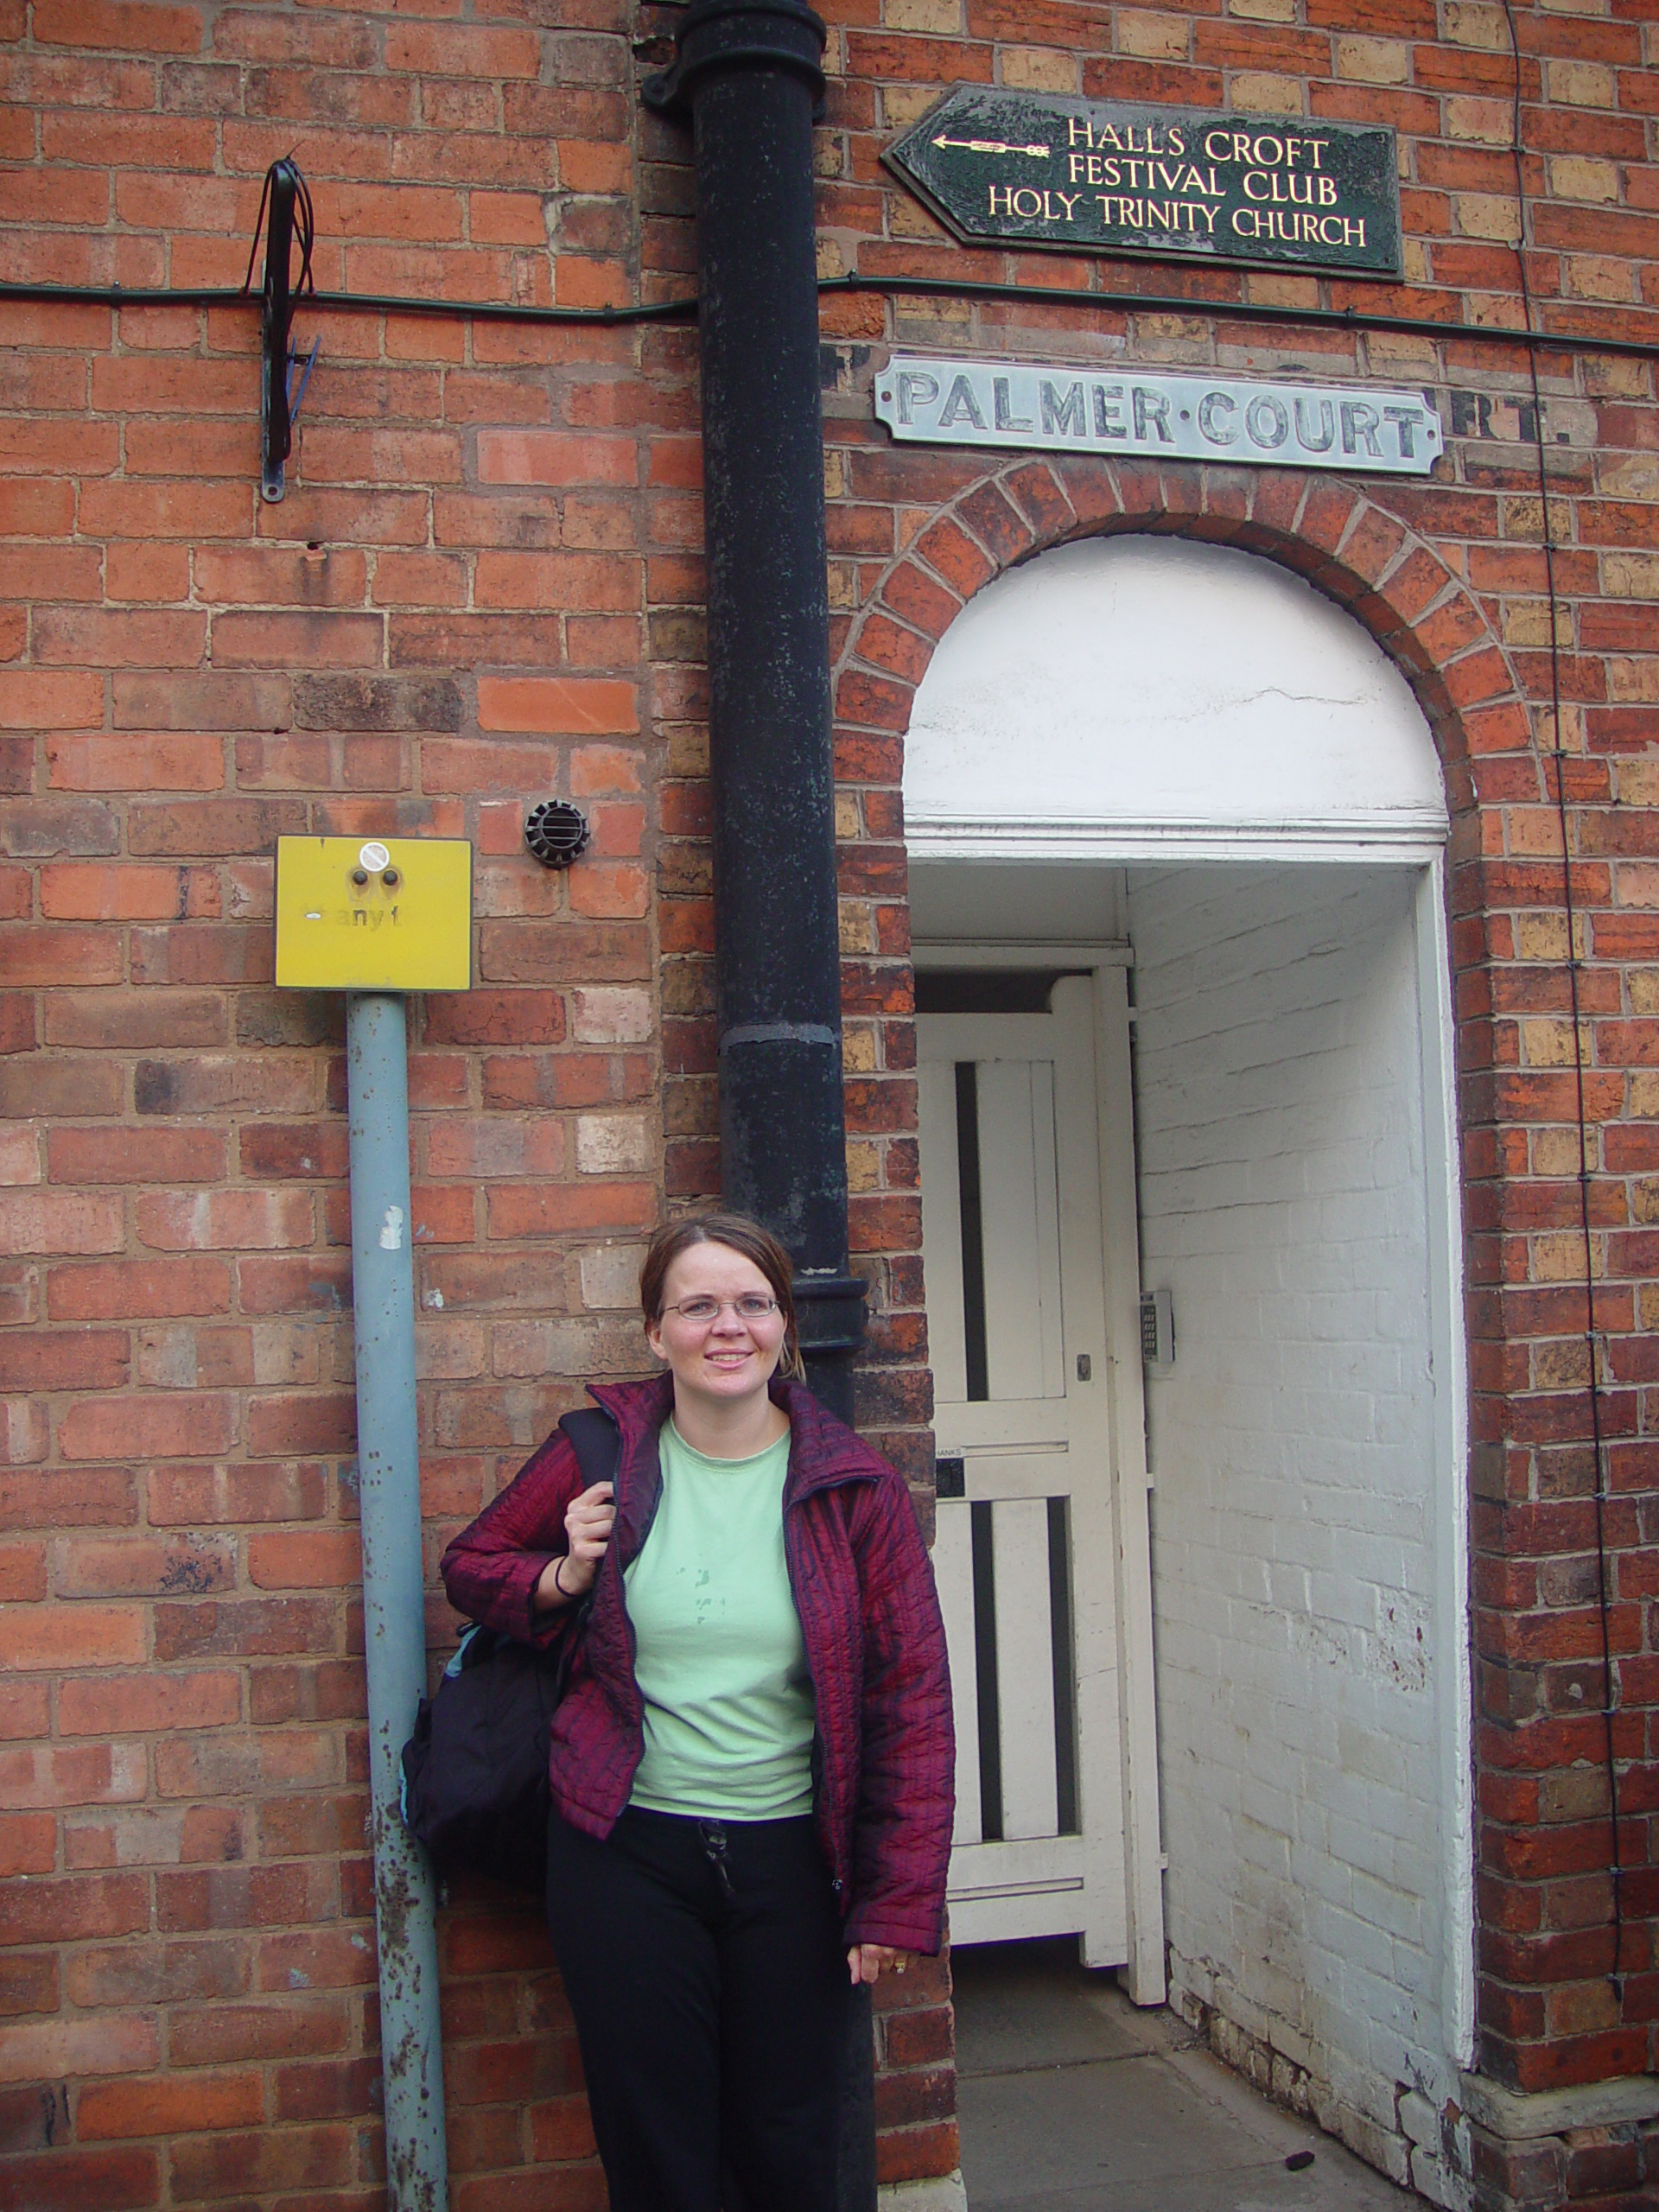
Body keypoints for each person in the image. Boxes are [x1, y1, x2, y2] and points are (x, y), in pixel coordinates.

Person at [440, 1210, 955, 2212]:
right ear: (655, 1331)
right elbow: (471, 1567)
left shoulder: (854, 1489)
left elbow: (913, 1701)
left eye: (754, 1302)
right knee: (656, 2152)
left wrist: (895, 1896)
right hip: (625, 1858)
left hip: (796, 1868)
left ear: (785, 1326)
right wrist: (564, 1572)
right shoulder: (600, 1451)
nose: (730, 1326)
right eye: (699, 1304)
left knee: (789, 2149)